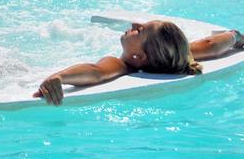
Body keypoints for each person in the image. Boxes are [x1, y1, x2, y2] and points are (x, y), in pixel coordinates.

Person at [36, 20, 244, 106]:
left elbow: (95, 71)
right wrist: (234, 36)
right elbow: (211, 45)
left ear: (139, 56)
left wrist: (60, 77)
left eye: (140, 30)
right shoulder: (180, 55)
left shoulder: (120, 65)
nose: (134, 23)